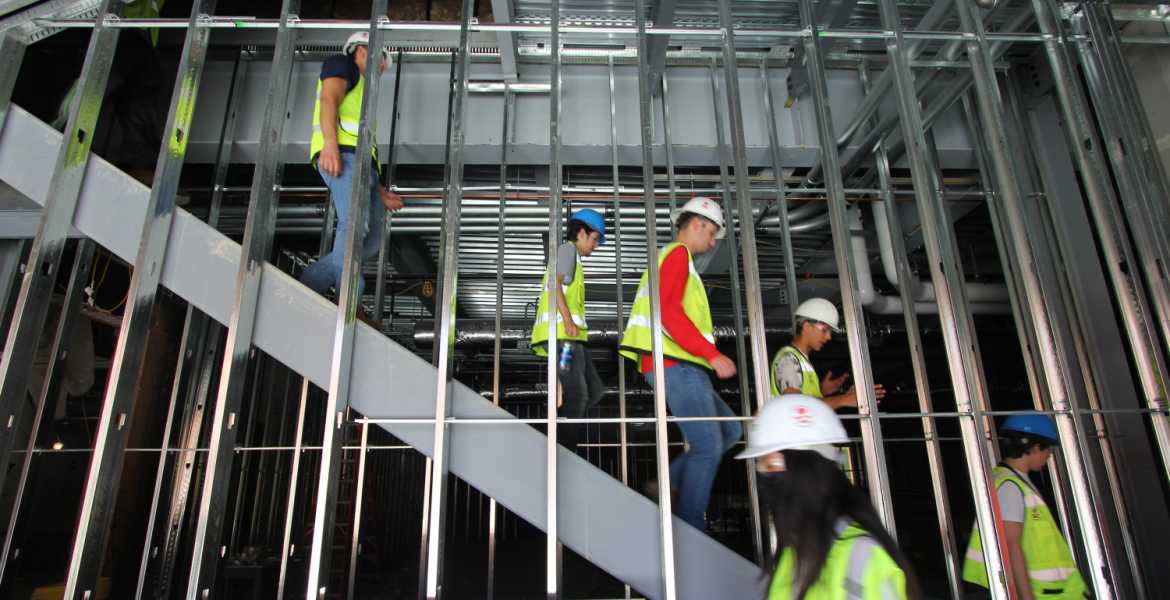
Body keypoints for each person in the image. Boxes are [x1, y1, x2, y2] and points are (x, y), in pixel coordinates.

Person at [618, 197, 742, 530]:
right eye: (712, 232)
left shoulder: (677, 260)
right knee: (707, 443)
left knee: (731, 429)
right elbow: (668, 311)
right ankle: (691, 529)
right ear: (697, 223)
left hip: (681, 363)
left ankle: (668, 482)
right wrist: (711, 353)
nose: (713, 241)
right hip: (675, 362)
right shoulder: (677, 255)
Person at [738, 395, 921, 600]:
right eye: (762, 467)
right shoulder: (795, 551)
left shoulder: (861, 555)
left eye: (771, 465)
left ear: (810, 469)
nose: (764, 478)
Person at [299, 31, 405, 326]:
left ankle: (311, 281)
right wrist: (330, 144)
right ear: (361, 50)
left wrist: (379, 189)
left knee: (369, 240)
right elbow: (329, 100)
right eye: (381, 59)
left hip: (362, 167)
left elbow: (363, 141)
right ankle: (349, 302)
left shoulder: (363, 94)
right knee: (353, 225)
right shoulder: (341, 64)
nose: (383, 67)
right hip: (343, 157)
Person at [963, 413, 1087, 600]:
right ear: (1036, 447)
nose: (1049, 456)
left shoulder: (1013, 481)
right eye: (1049, 450)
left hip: (1051, 591)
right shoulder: (1010, 486)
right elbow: (1011, 545)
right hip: (1042, 593)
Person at [531, 209, 607, 453]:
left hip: (572, 341)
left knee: (594, 391)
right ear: (582, 233)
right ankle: (562, 451)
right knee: (578, 395)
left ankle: (554, 431)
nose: (596, 245)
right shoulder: (568, 251)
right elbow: (555, 285)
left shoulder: (575, 258)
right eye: (596, 238)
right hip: (562, 339)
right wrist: (567, 319)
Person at [771, 298, 885, 409]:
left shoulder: (800, 360)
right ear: (807, 326)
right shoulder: (788, 359)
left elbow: (804, 403)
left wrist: (822, 392)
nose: (828, 337)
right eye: (825, 330)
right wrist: (843, 399)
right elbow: (794, 404)